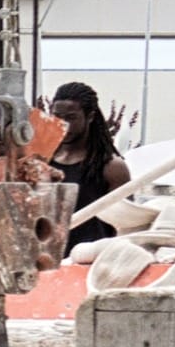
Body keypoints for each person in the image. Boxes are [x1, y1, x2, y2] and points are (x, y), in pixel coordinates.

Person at [49, 81, 130, 252]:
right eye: (57, 116)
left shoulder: (111, 167)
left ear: (90, 117)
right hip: (46, 260)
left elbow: (127, 225)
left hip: (89, 260)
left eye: (71, 117)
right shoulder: (41, 162)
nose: (62, 124)